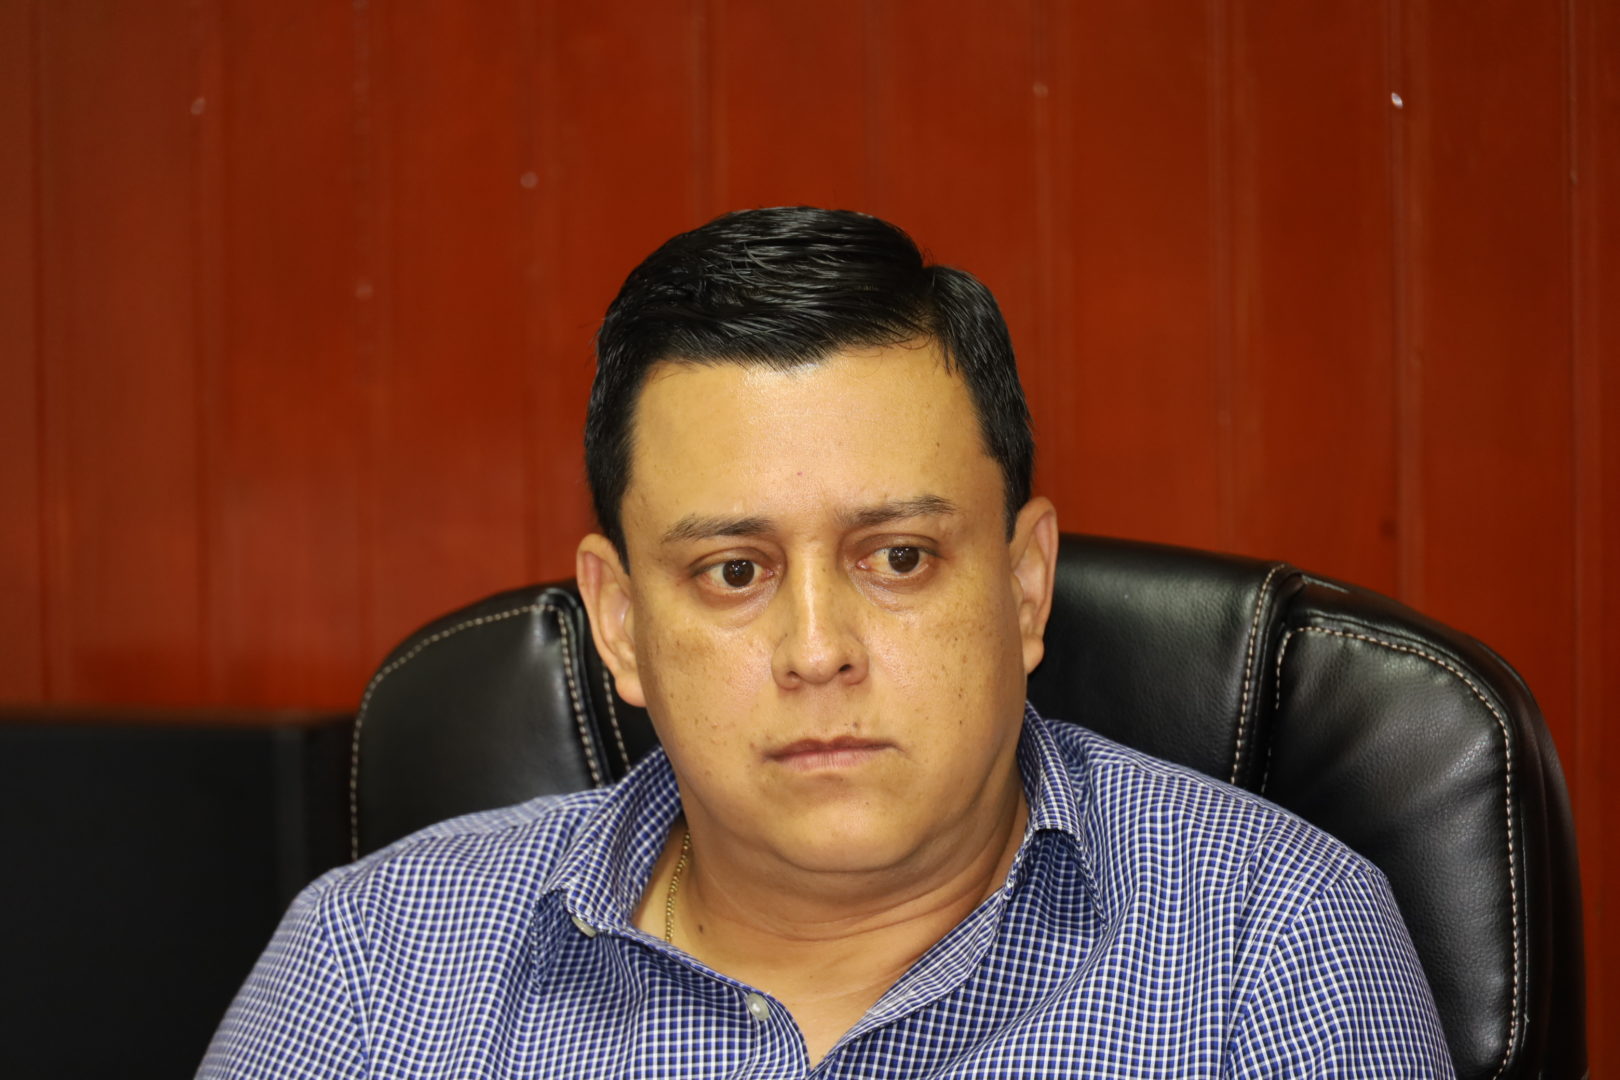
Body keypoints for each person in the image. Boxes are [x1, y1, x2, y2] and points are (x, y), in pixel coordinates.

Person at [201, 207, 1455, 1077]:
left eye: (898, 558)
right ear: (621, 624)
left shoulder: (1270, 948)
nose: (818, 650)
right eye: (734, 572)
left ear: (1025, 588)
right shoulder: (375, 971)